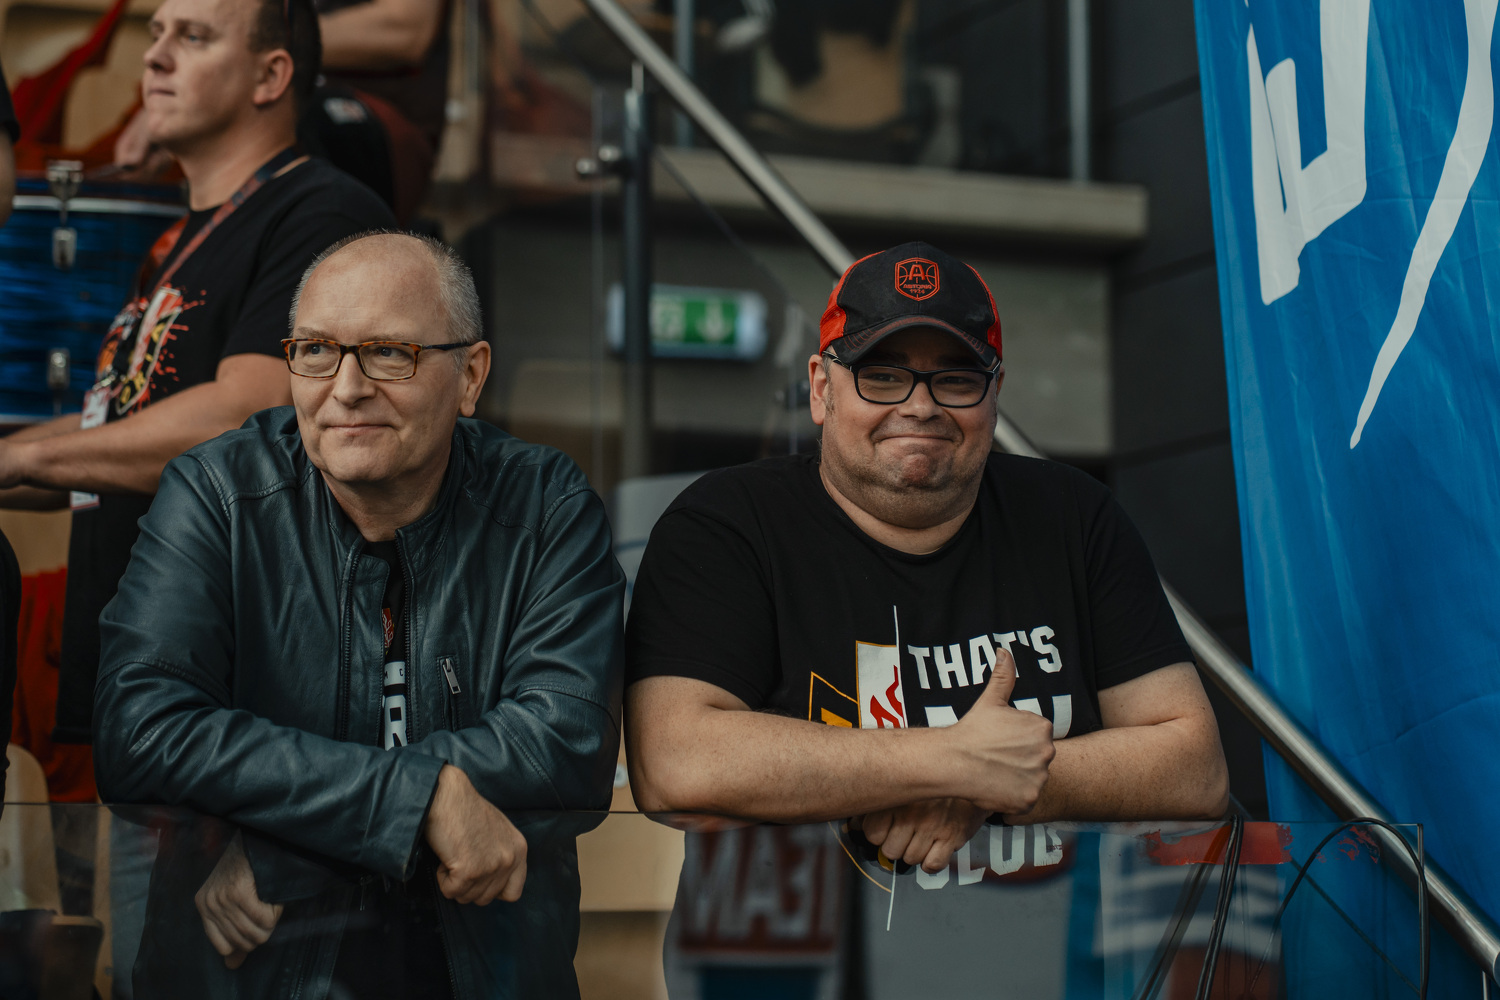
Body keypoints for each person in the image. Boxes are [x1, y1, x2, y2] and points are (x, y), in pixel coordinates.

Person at [92, 232, 624, 997]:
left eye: (388, 354)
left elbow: (565, 746)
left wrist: (284, 852)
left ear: (470, 375)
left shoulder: (545, 508)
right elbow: (139, 732)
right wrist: (424, 799)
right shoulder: (216, 496)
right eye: (315, 351)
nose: (345, 388)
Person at [625, 241, 1229, 874]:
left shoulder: (1073, 515)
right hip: (807, 936)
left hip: (1048, 932)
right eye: (882, 375)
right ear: (821, 389)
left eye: (957, 379)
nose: (920, 405)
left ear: (995, 394)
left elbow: (1197, 769)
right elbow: (674, 762)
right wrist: (950, 763)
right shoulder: (726, 523)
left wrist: (994, 788)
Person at [0, 0, 396, 746]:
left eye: (193, 36)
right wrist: (14, 458)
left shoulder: (320, 216)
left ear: (270, 76)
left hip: (234, 712)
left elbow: (243, 420)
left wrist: (21, 458)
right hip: (136, 687)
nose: (153, 56)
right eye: (155, 33)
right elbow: (112, 431)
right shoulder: (178, 242)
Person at [115, 0, 449, 224]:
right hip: (273, 82)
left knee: (297, 131)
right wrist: (172, 103)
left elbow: (407, 29)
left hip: (375, 114)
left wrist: (259, 40)